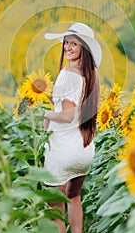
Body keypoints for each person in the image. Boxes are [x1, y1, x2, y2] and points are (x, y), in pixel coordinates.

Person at [43, 22, 102, 233]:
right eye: (66, 42)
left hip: (63, 150)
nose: (67, 47)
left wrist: (46, 114)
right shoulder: (91, 75)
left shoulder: (68, 73)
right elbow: (75, 108)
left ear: (83, 48)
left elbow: (67, 116)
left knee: (55, 207)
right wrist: (52, 98)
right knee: (74, 197)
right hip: (83, 149)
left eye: (74, 43)